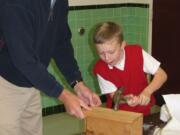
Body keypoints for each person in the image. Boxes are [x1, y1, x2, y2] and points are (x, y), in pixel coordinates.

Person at [0, 0, 101, 135]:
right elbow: (24, 60)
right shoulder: (15, 3)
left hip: (32, 83)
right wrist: (63, 95)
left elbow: (61, 42)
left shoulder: (58, 2)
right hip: (5, 84)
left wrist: (77, 83)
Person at [92, 21, 167, 116]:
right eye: (101, 53)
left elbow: (162, 75)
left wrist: (147, 92)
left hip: (143, 112)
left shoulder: (137, 53)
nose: (107, 58)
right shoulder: (100, 69)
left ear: (123, 45)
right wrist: (125, 99)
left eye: (111, 52)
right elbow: (114, 97)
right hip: (118, 114)